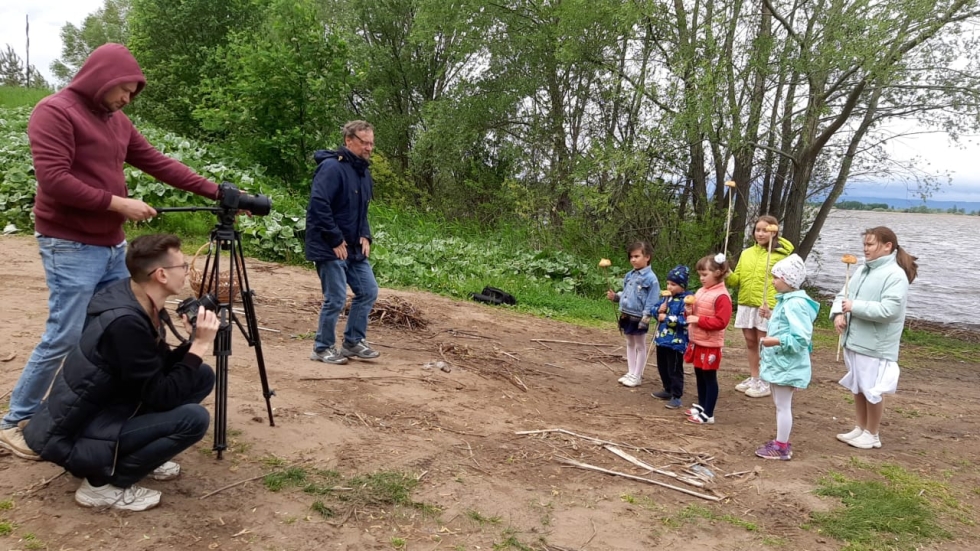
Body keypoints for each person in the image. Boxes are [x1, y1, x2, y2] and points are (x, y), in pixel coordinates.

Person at [0, 43, 220, 459]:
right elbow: (54, 179)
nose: (127, 99)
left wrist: (217, 190)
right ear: (100, 77)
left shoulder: (117, 121)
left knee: (120, 331)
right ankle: (15, 419)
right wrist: (119, 204)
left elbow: (156, 161)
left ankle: (94, 414)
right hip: (68, 242)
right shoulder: (55, 111)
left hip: (111, 243)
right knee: (65, 334)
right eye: (123, 89)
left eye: (133, 93)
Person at [22, 234, 219, 511]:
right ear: (161, 274)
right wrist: (199, 345)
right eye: (183, 266)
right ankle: (103, 485)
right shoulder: (126, 322)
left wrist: (190, 343)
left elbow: (153, 368)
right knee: (194, 419)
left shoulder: (136, 296)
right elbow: (161, 394)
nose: (187, 271)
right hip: (78, 432)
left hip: (107, 408)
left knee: (200, 375)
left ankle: (136, 453)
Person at [831, 227, 917, 450]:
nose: (865, 249)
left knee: (872, 389)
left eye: (870, 244)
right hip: (855, 339)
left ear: (887, 246)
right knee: (858, 386)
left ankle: (873, 433)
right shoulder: (862, 270)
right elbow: (843, 295)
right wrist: (839, 314)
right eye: (865, 244)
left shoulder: (895, 275)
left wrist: (854, 307)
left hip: (876, 344)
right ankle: (860, 428)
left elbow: (889, 310)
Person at [306, 121, 381, 365]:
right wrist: (335, 238)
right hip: (330, 245)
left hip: (353, 247)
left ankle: (352, 342)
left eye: (371, 143)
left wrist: (365, 234)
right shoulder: (331, 168)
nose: (369, 148)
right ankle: (322, 347)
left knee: (368, 290)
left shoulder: (363, 172)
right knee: (336, 298)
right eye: (364, 142)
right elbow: (319, 204)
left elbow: (361, 210)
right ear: (349, 141)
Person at [754, 254, 818, 461]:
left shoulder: (795, 304)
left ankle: (781, 446)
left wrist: (775, 341)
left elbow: (800, 338)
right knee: (780, 404)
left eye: (776, 277)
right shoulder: (787, 302)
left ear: (789, 280)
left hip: (787, 363)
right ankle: (780, 441)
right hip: (781, 363)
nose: (773, 281)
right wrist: (771, 315)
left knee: (783, 406)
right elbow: (786, 324)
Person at [726, 215, 795, 399]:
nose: (761, 233)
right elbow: (736, 280)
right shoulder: (746, 253)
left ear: (774, 231)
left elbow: (786, 280)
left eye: (765, 230)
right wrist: (726, 273)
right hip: (746, 302)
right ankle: (754, 377)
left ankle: (766, 380)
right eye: (758, 229)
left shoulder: (782, 255)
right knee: (750, 342)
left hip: (767, 304)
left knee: (765, 343)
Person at [684, 253, 733, 425]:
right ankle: (702, 405)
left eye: (705, 274)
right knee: (699, 373)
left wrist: (699, 320)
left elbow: (722, 322)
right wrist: (689, 310)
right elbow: (694, 314)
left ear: (718, 272)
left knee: (709, 377)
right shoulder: (701, 291)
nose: (701, 278)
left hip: (711, 343)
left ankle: (709, 413)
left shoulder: (722, 296)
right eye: (700, 275)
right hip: (697, 340)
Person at [606, 242, 660, 388]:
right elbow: (627, 294)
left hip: (639, 317)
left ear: (647, 257)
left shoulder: (651, 279)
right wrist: (616, 297)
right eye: (631, 257)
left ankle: (638, 375)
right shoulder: (629, 275)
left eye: (637, 256)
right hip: (626, 314)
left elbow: (652, 300)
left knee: (640, 345)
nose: (633, 260)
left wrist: (646, 317)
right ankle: (630, 372)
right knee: (629, 343)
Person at [650, 265, 693, 409]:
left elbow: (684, 321)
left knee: (674, 369)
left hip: (676, 342)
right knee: (662, 367)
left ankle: (676, 395)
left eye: (673, 284)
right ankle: (667, 389)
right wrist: (658, 310)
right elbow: (654, 310)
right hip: (662, 340)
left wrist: (666, 318)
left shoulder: (686, 301)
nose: (669, 287)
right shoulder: (666, 298)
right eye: (668, 283)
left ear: (682, 286)